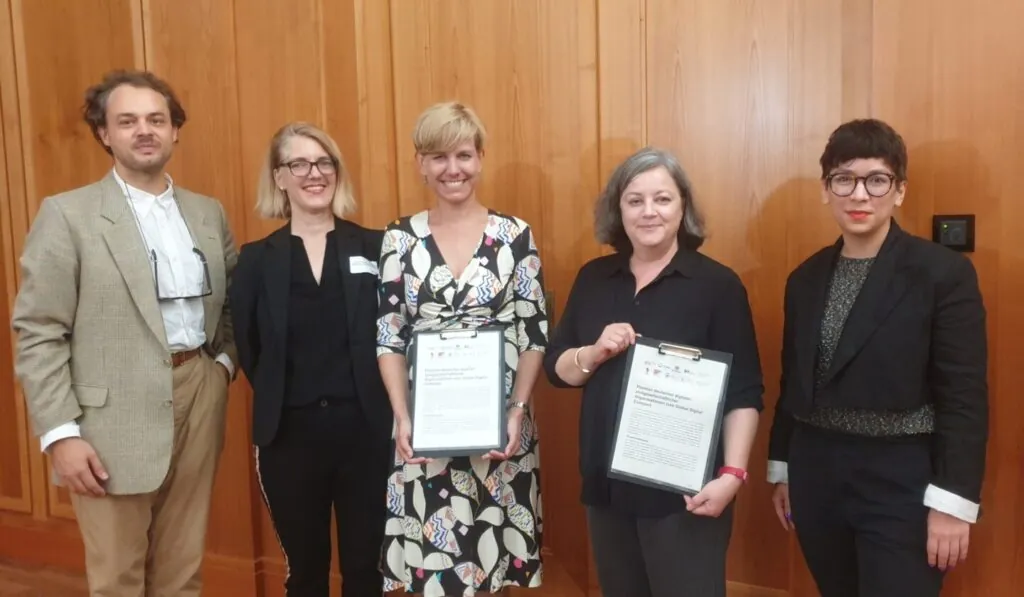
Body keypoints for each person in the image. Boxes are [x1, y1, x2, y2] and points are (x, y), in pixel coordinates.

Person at [10, 69, 236, 595]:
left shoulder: (207, 213)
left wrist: (222, 368)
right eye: (127, 120)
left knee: (182, 572)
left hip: (199, 395)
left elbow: (231, 304)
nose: (145, 130)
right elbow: (38, 330)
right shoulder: (68, 216)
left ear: (175, 130)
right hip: (108, 421)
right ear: (104, 133)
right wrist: (61, 433)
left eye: (157, 119)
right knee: (117, 578)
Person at [766, 118, 989, 597]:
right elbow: (794, 382)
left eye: (877, 180)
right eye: (843, 179)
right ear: (826, 189)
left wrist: (953, 502)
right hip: (817, 471)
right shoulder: (803, 279)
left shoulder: (942, 274)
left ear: (900, 190)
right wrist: (783, 467)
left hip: (901, 478)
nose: (859, 195)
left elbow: (964, 396)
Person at [542, 147, 764, 597]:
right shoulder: (594, 278)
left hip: (684, 493)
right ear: (617, 209)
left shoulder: (717, 286)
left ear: (683, 207)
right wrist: (594, 352)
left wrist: (733, 475)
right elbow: (557, 369)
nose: (649, 212)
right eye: (634, 200)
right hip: (606, 487)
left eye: (662, 199)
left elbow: (743, 391)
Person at [375, 101, 548, 596]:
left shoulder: (514, 236)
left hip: (499, 423)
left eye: (464, 155)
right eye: (438, 157)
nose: (453, 169)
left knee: (491, 559)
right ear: (421, 164)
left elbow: (534, 332)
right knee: (436, 565)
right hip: (425, 425)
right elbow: (388, 334)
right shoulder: (398, 238)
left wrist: (516, 410)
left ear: (481, 158)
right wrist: (403, 416)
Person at [228, 121, 391, 597]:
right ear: (279, 177)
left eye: (323, 162)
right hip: (289, 439)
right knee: (306, 572)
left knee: (366, 569)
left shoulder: (378, 247)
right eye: (298, 163)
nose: (313, 173)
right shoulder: (256, 260)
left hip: (367, 435)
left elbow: (395, 336)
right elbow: (251, 347)